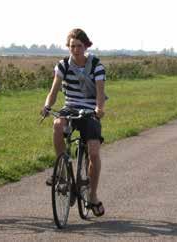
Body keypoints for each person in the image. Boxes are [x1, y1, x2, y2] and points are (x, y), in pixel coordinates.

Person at [41, 28, 107, 217]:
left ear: (85, 46)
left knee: (93, 152)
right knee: (57, 124)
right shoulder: (62, 65)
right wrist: (47, 105)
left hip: (89, 110)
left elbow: (100, 94)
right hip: (70, 107)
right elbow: (54, 91)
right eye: (72, 46)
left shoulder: (97, 67)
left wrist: (99, 109)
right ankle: (62, 169)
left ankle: (93, 195)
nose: (75, 50)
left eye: (79, 46)